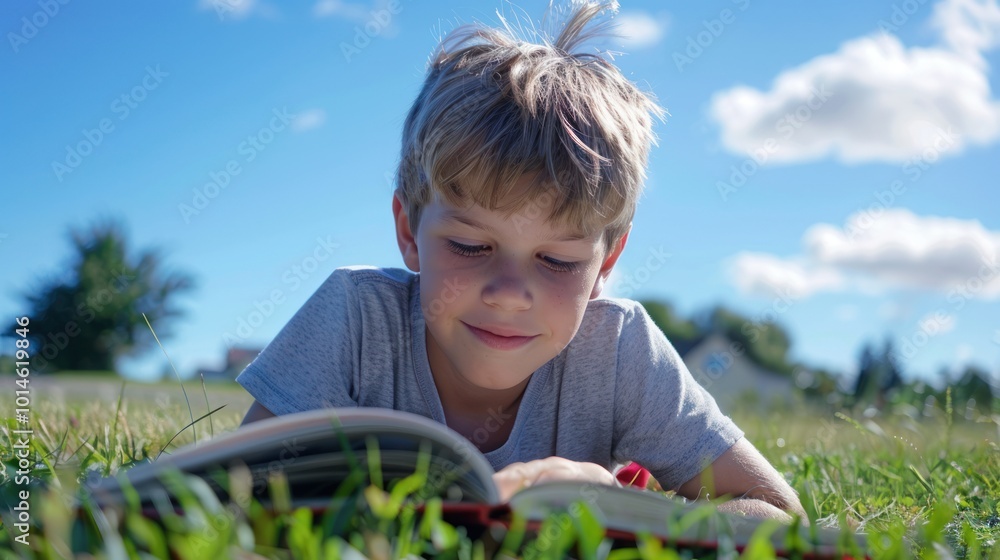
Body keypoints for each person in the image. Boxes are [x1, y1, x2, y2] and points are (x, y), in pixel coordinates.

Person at [237, 1, 805, 521]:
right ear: (409, 231)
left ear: (607, 261)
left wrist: (619, 507)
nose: (509, 291)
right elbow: (228, 491)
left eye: (557, 260)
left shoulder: (619, 351)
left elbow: (778, 513)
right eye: (470, 247)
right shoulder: (355, 319)